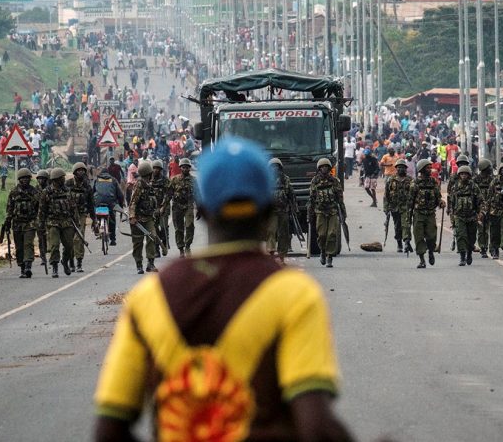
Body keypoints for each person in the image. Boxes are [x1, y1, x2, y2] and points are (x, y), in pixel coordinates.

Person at [93, 137, 354, 442]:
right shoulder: (294, 294)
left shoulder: (149, 296)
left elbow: (108, 431)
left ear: (202, 209)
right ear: (269, 208)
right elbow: (317, 427)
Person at [37, 168, 76, 278]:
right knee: (54, 245)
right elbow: (42, 210)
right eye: (62, 178)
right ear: (56, 179)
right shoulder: (46, 192)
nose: (64, 179)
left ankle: (65, 260)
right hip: (53, 222)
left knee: (69, 246)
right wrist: (40, 225)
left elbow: (73, 208)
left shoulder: (67, 191)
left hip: (67, 222)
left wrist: (76, 222)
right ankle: (55, 266)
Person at [308, 158, 346, 267]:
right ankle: (323, 252)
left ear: (329, 168)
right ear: (319, 168)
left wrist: (343, 212)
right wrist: (310, 214)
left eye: (326, 167)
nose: (325, 168)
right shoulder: (315, 181)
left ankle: (329, 256)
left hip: (332, 211)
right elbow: (311, 198)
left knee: (332, 234)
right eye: (322, 167)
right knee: (322, 234)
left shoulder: (334, 181)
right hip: (320, 211)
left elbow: (340, 198)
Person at [4, 168, 41, 278]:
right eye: (22, 178)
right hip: (17, 223)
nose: (25, 180)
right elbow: (10, 208)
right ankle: (22, 267)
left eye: (27, 178)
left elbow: (39, 207)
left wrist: (39, 221)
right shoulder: (14, 192)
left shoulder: (35, 192)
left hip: (30, 222)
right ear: (19, 179)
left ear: (30, 179)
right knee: (19, 246)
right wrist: (7, 221)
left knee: (28, 244)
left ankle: (28, 265)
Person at [410, 159, 445, 268]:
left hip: (430, 213)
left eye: (430, 167)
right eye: (427, 168)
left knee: (431, 236)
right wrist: (408, 217)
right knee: (419, 237)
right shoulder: (415, 183)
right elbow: (410, 201)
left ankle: (430, 251)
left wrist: (441, 202)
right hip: (418, 214)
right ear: (421, 169)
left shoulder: (433, 182)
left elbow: (438, 196)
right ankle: (422, 260)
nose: (430, 169)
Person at [129, 161, 159, 274]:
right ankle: (139, 264)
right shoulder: (139, 185)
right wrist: (132, 217)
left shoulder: (149, 185)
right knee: (138, 242)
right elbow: (132, 202)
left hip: (149, 218)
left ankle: (150, 263)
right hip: (137, 219)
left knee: (152, 237)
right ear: (148, 173)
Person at [66, 162, 96, 273]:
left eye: (83, 170)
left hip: (81, 215)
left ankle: (79, 261)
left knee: (79, 237)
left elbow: (91, 204)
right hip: (69, 216)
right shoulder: (68, 184)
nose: (81, 172)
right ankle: (70, 261)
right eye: (78, 170)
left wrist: (94, 220)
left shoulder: (87, 186)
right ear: (74, 172)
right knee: (69, 239)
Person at [449, 165, 483, 266]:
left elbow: (480, 200)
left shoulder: (474, 186)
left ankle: (469, 253)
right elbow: (452, 203)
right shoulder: (455, 187)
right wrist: (452, 218)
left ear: (469, 175)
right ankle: (462, 257)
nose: (464, 176)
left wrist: (480, 212)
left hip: (472, 216)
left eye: (466, 174)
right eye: (462, 174)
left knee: (471, 237)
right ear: (459, 175)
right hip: (459, 216)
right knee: (461, 236)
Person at [163, 157, 196, 258]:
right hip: (177, 207)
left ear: (189, 168)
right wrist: (163, 207)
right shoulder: (174, 180)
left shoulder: (193, 180)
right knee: (178, 229)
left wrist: (200, 208)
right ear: (180, 168)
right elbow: (168, 194)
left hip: (189, 205)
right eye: (183, 167)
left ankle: (188, 246)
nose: (185, 169)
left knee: (190, 226)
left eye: (187, 167)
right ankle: (181, 248)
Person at [266, 158, 295, 262]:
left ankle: (282, 255)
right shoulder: (267, 180)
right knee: (271, 231)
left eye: (277, 167)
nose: (275, 169)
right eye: (273, 167)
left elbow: (290, 194)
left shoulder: (285, 179)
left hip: (283, 210)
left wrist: (293, 208)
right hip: (271, 212)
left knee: (283, 233)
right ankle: (271, 251)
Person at [383, 159, 414, 253]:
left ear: (406, 169)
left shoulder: (410, 180)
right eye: (399, 167)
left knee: (406, 224)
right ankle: (399, 243)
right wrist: (386, 208)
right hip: (394, 207)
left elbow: (414, 193)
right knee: (397, 226)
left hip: (406, 207)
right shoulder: (391, 179)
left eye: (403, 167)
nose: (401, 169)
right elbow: (386, 195)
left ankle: (406, 242)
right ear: (396, 168)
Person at [93, 167, 125, 247]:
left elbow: (92, 191)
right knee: (112, 219)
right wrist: (121, 205)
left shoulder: (97, 179)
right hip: (110, 203)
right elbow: (120, 195)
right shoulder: (113, 180)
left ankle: (97, 226)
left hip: (98, 202)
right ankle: (113, 239)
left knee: (96, 215)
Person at [473, 159, 493, 258]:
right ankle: (483, 248)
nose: (491, 169)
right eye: (489, 167)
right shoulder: (476, 180)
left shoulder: (492, 180)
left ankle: (492, 248)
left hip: (491, 207)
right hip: (479, 208)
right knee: (481, 229)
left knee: (490, 229)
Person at [150, 160, 169, 257]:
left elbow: (168, 194)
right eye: (154, 168)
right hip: (152, 208)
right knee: (154, 229)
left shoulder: (165, 180)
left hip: (163, 207)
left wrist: (163, 206)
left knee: (164, 226)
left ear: (161, 169)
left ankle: (165, 241)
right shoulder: (149, 179)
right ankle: (156, 249)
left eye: (158, 168)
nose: (156, 170)